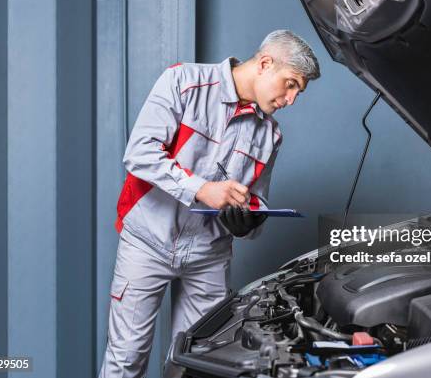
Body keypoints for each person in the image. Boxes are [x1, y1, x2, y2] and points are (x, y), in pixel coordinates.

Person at [98, 30, 320, 378]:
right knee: (126, 361)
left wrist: (248, 222)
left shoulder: (271, 135)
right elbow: (139, 153)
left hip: (210, 257)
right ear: (264, 64)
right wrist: (202, 189)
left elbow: (257, 199)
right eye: (290, 84)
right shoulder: (184, 82)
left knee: (195, 366)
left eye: (298, 91)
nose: (291, 99)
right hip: (147, 243)